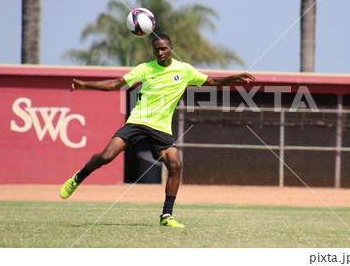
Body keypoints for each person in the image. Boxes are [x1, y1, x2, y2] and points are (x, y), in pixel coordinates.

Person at [59, 33, 255, 228]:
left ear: (171, 49)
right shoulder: (145, 69)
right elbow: (116, 83)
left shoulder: (184, 70)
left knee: (176, 165)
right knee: (106, 157)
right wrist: (85, 84)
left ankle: (166, 216)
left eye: (163, 48)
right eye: (156, 49)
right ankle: (78, 178)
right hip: (137, 122)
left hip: (161, 128)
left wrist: (234, 77)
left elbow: (212, 82)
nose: (160, 52)